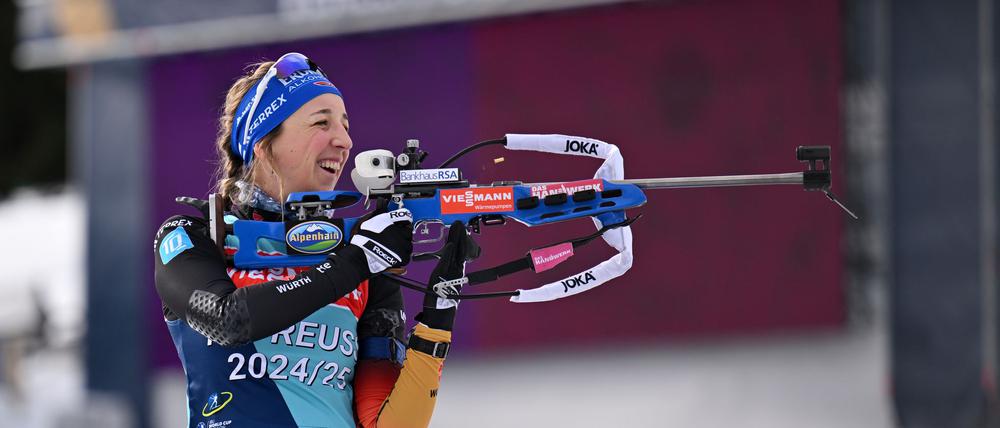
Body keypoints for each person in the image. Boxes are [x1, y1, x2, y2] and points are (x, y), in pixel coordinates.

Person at [153, 52, 476, 428]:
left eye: (344, 125)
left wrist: (437, 319)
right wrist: (356, 263)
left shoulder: (362, 259)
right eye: (321, 123)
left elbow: (386, 424)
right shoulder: (193, 236)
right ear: (262, 141)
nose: (344, 141)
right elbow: (227, 319)